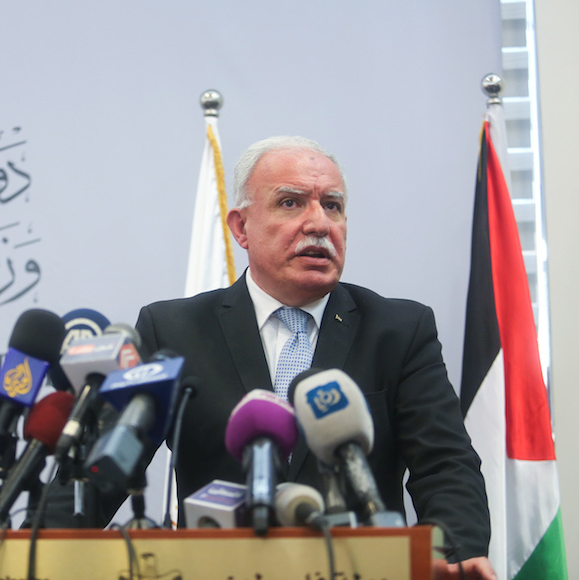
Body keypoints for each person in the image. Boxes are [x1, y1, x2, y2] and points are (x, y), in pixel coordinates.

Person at [134, 136, 496, 579]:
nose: (319, 224)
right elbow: (107, 467)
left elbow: (445, 467)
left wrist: (450, 555)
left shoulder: (399, 330)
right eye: (291, 203)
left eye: (333, 205)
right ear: (241, 227)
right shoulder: (173, 331)